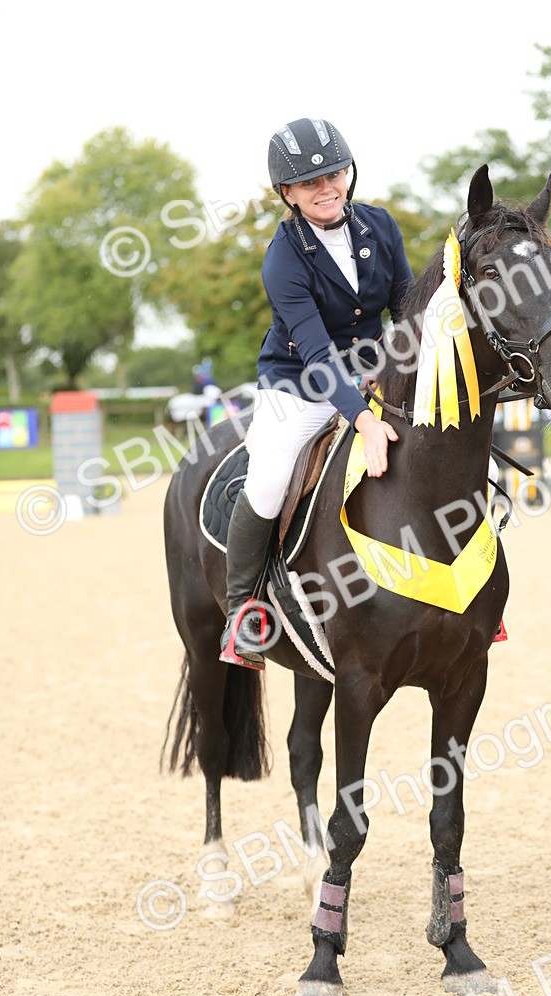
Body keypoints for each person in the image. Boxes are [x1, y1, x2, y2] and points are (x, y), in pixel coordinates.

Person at [219, 117, 414, 669]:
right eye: (310, 182)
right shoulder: (282, 259)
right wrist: (363, 419)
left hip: (376, 374)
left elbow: (405, 310)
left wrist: (399, 365)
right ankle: (243, 615)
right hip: (299, 385)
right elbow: (315, 352)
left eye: (334, 173)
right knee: (271, 474)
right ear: (287, 193)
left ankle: (469, 586)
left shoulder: (380, 226)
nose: (326, 187)